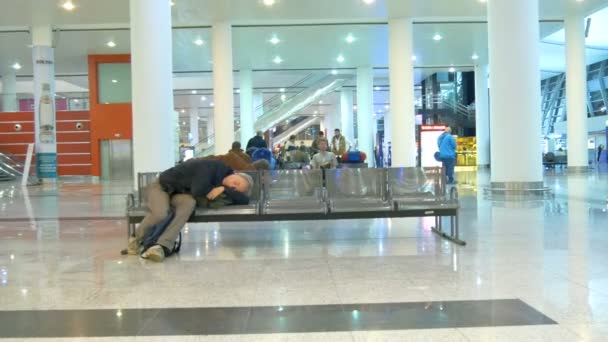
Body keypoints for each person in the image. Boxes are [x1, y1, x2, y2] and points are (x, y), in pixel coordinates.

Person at [128, 159, 253, 262]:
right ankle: (135, 239)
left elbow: (244, 200)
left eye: (236, 189)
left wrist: (224, 190)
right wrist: (220, 189)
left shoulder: (223, 184)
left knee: (190, 203)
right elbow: (198, 190)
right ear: (235, 173)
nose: (233, 186)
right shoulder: (212, 166)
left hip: (179, 193)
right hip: (161, 187)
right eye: (236, 182)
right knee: (161, 212)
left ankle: (162, 245)